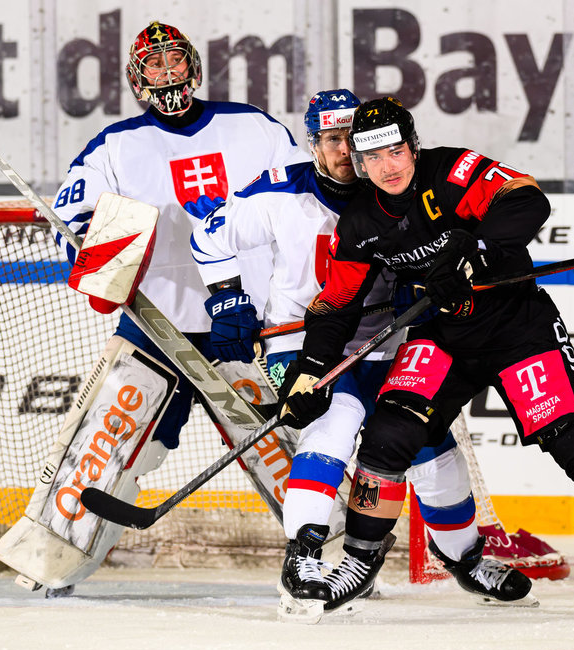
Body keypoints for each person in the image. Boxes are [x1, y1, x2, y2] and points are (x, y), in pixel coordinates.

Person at [278, 97, 574, 619]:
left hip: (518, 330)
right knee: (388, 435)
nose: (388, 167)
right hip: (442, 336)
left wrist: (476, 250)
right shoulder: (358, 222)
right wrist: (312, 369)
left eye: (397, 152)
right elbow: (336, 303)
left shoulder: (451, 169)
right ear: (358, 161)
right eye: (373, 158)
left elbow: (527, 199)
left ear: (413, 146)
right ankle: (357, 563)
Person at [190, 89, 534, 620]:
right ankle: (302, 556)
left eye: (354, 140)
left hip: (394, 335)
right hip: (306, 341)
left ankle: (464, 558)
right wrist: (230, 301)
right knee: (333, 421)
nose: (345, 151)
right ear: (314, 144)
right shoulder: (281, 192)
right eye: (332, 140)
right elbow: (208, 236)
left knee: (428, 444)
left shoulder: (403, 188)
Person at [0, 20, 310, 594]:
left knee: (284, 448)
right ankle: (52, 557)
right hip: (155, 325)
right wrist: (87, 239)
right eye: (154, 66)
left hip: (246, 325)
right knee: (108, 443)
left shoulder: (255, 127)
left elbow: (303, 200)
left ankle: (330, 555)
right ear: (138, 80)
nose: (168, 75)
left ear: (193, 65)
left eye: (176, 62)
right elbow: (78, 215)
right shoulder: (116, 145)